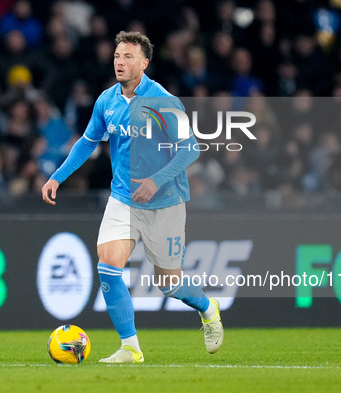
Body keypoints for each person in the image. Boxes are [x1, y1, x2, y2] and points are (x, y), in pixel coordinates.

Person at [41, 31, 224, 363]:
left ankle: (208, 308)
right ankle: (131, 348)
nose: (120, 62)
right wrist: (57, 177)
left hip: (164, 201)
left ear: (144, 63)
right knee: (109, 267)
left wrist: (156, 180)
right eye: (116, 56)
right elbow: (86, 142)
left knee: (169, 284)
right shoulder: (106, 101)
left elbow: (191, 149)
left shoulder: (165, 102)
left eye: (127, 57)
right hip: (123, 199)